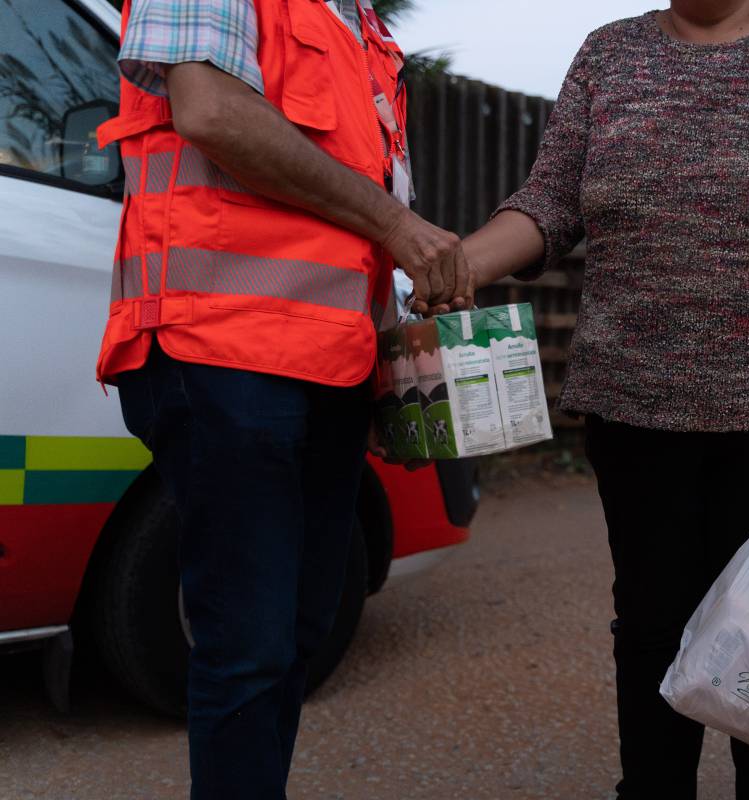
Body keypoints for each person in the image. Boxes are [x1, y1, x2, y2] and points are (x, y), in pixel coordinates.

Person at [462, 0, 749, 797]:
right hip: (635, 401)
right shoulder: (608, 55)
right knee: (651, 624)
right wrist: (458, 262)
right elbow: (551, 202)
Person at [96, 1, 469, 797]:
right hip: (220, 346)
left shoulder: (361, 30)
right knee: (249, 645)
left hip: (327, 362)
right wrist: (398, 226)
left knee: (298, 633)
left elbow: (350, 223)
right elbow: (210, 111)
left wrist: (384, 363)